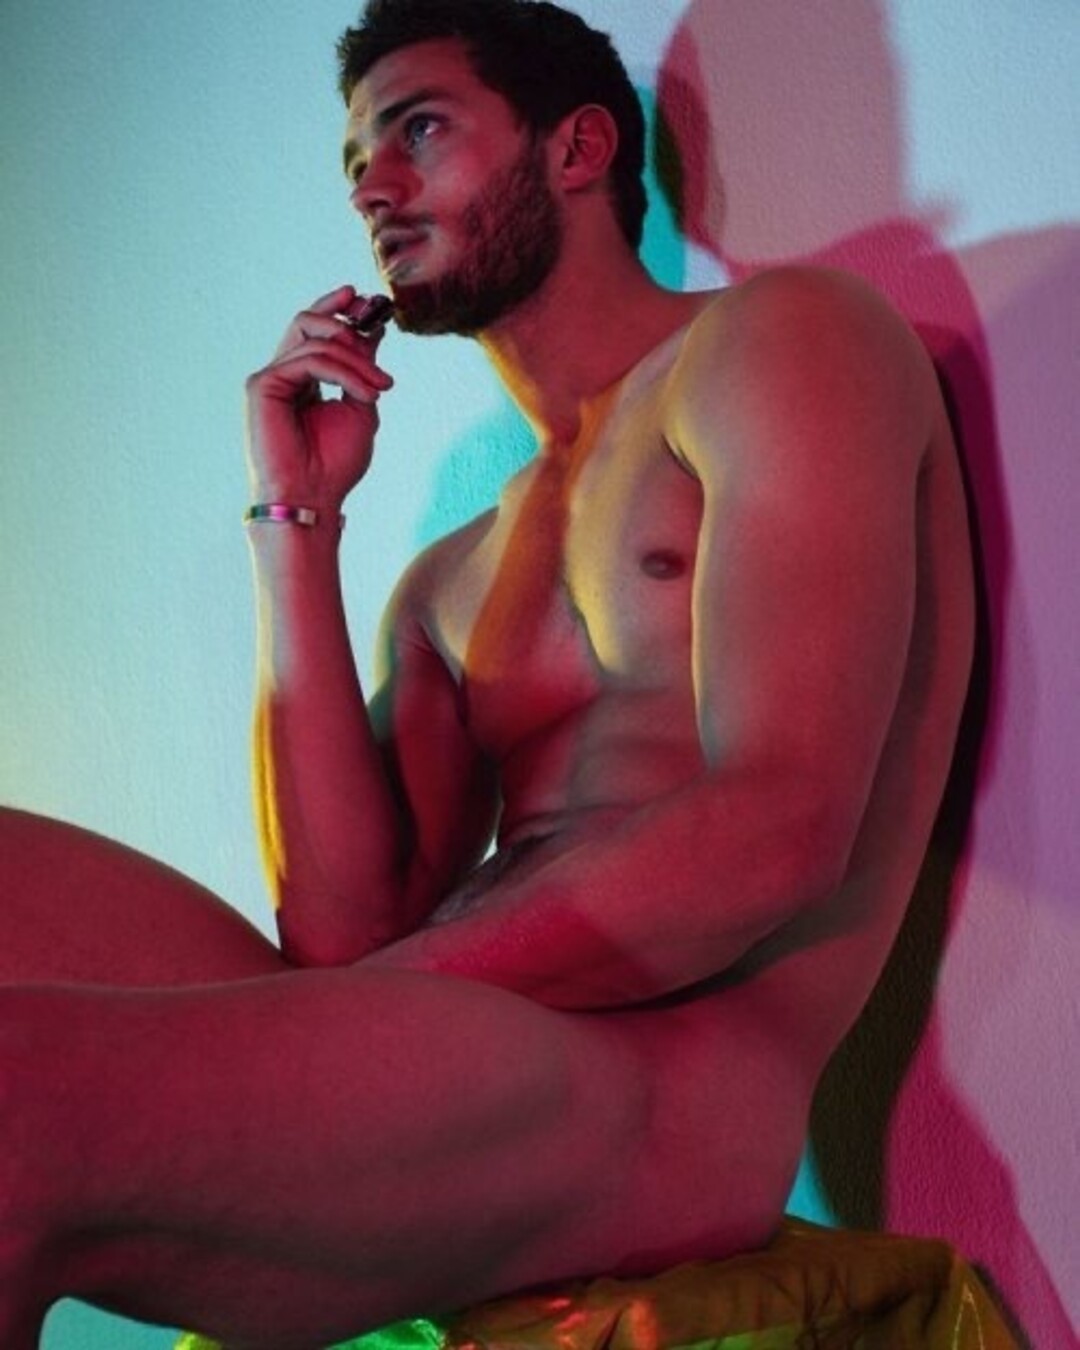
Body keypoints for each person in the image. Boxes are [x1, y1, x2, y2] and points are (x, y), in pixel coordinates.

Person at [0, 1, 975, 1346]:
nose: (374, 191)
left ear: (577, 147)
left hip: (664, 1096)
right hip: (459, 1054)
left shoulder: (786, 338)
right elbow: (340, 935)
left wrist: (349, 1010)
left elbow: (778, 831)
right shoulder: (454, 574)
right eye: (358, 165)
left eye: (418, 132)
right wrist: (296, 522)